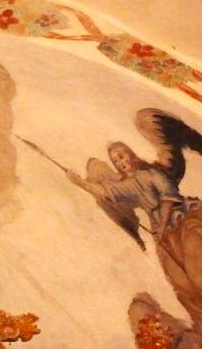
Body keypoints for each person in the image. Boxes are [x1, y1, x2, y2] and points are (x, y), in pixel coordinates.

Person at [67, 142, 202, 335]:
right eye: (115, 161)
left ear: (130, 154)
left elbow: (169, 197)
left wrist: (162, 224)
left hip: (184, 221)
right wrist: (80, 183)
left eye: (121, 156)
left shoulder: (151, 173)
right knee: (181, 284)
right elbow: (107, 192)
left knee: (198, 271)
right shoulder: (127, 185)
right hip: (163, 235)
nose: (120, 162)